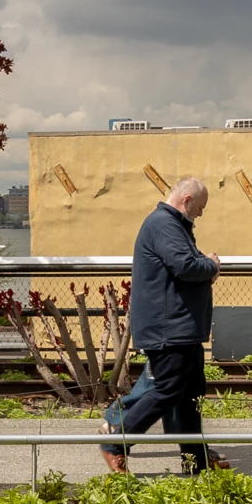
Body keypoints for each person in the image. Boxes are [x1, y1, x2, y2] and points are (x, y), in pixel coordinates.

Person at [101, 175, 219, 474]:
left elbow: (183, 264)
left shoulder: (172, 225)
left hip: (180, 327)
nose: (201, 213)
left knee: (190, 391)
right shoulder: (165, 225)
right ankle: (116, 443)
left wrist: (203, 265)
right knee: (166, 389)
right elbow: (186, 266)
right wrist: (213, 265)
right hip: (170, 328)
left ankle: (196, 461)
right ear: (187, 200)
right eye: (200, 207)